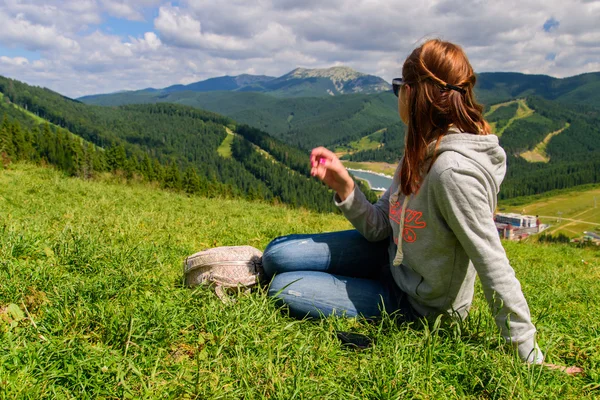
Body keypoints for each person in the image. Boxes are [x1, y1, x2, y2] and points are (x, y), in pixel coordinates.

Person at [261, 39, 565, 368]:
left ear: (414, 93)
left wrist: (530, 357)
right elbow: (380, 228)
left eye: (398, 87)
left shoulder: (453, 174)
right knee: (276, 256)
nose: (398, 96)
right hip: (390, 258)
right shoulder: (421, 147)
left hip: (417, 306)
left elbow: (494, 266)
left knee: (284, 288)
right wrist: (345, 186)